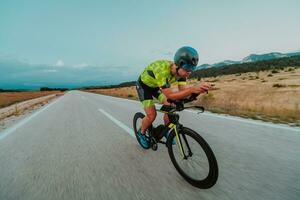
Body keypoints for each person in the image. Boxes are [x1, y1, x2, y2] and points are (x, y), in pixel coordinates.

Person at [136, 46, 212, 148]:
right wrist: (192, 89)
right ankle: (141, 132)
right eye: (187, 70)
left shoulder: (182, 74)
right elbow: (169, 95)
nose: (189, 73)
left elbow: (182, 91)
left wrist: (198, 91)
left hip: (156, 87)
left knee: (170, 105)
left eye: (191, 70)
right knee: (152, 115)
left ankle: (166, 131)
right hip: (144, 87)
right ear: (178, 65)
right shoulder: (162, 70)